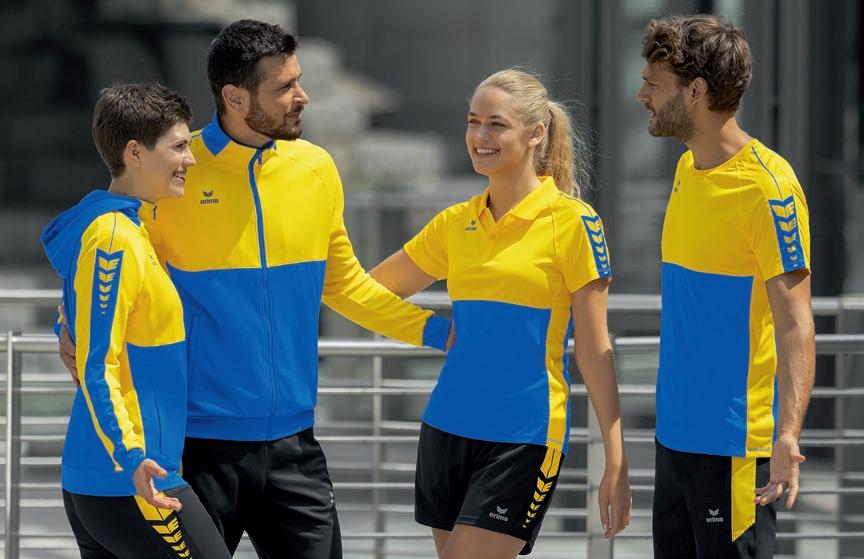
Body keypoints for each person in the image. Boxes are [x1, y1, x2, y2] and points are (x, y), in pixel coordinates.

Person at [58, 20, 452, 559]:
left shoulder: (316, 169)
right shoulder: (175, 173)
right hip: (197, 445)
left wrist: (439, 333)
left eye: (299, 80)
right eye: (284, 87)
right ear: (235, 97)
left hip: (294, 445)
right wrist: (68, 323)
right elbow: (103, 256)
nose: (302, 96)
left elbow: (345, 286)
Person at [369, 69, 631, 559]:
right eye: (473, 122)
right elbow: (367, 291)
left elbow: (595, 350)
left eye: (496, 124)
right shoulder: (454, 223)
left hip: (524, 438)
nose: (480, 136)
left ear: (535, 133)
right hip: (446, 429)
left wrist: (615, 457)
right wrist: (430, 330)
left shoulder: (575, 223)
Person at [636, 14, 816, 559]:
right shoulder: (686, 170)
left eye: (653, 84)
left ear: (695, 91)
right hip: (673, 438)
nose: (642, 96)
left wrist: (788, 435)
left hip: (734, 446)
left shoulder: (770, 189)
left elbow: (796, 322)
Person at [41, 84, 233, 559]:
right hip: (133, 478)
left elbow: (82, 323)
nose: (190, 159)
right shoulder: (114, 237)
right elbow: (97, 364)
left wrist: (63, 327)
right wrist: (130, 458)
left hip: (118, 477)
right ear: (135, 153)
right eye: (179, 146)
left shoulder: (125, 228)